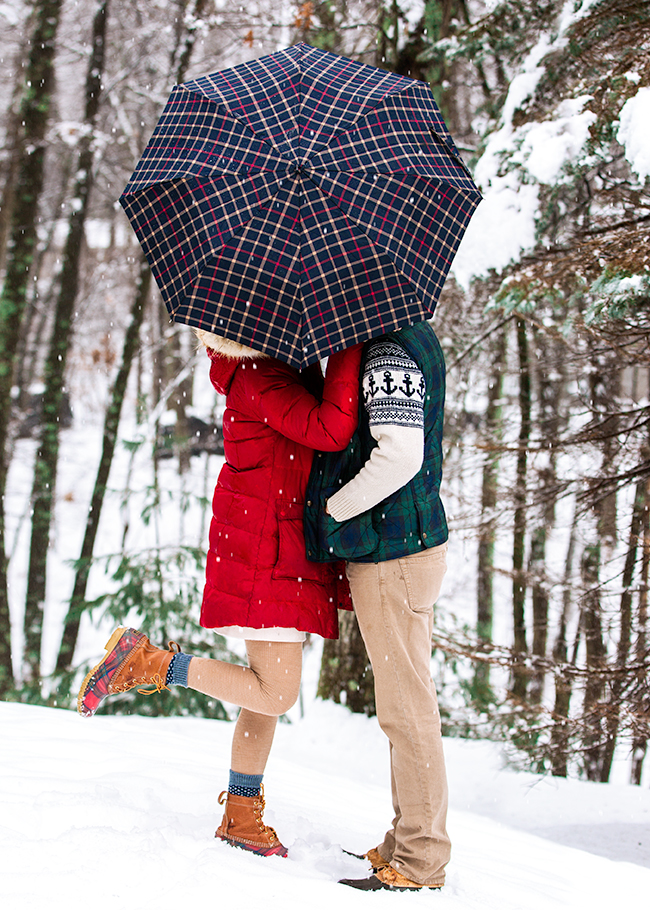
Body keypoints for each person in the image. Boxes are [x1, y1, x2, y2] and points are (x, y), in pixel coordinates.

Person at [78, 330, 362, 857]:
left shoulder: (276, 371)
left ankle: (241, 816)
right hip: (265, 550)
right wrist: (351, 343)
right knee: (275, 692)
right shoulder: (260, 376)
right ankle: (150, 663)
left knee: (263, 695)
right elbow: (330, 428)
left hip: (280, 544)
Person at [304, 319, 449, 891]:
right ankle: (405, 840)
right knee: (404, 705)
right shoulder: (409, 333)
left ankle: (419, 859)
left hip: (394, 552)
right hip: (407, 543)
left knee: (406, 709)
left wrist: (335, 508)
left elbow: (399, 457)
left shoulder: (387, 350)